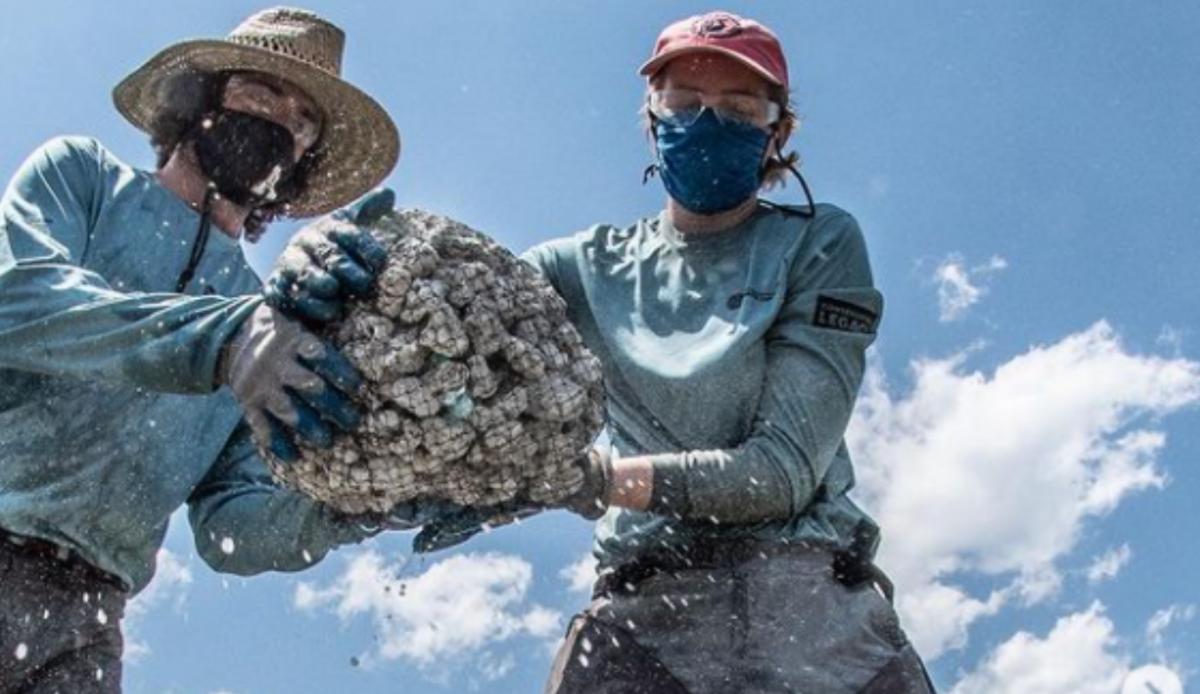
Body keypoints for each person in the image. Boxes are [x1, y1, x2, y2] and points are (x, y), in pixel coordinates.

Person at [271, 10, 936, 694]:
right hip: (647, 614)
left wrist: (588, 480)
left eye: (739, 109)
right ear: (651, 117)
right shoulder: (582, 268)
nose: (708, 122)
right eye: (685, 103)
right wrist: (321, 255)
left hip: (815, 612)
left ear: (777, 133)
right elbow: (445, 304)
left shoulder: (817, 242)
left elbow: (780, 473)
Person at [0, 8, 419, 693]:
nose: (280, 121)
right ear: (200, 101)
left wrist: (343, 506)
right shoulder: (83, 179)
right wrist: (222, 340)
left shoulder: (268, 323)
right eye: (261, 91)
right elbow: (25, 307)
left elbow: (230, 524)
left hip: (82, 618)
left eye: (301, 122)